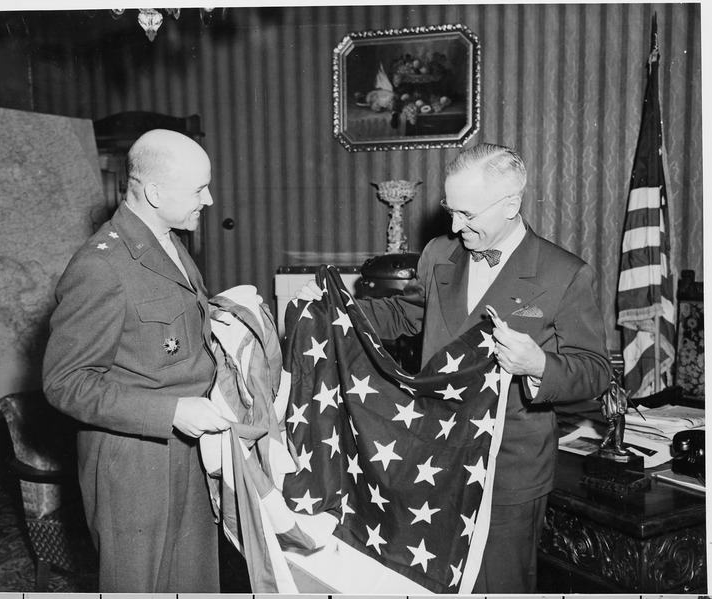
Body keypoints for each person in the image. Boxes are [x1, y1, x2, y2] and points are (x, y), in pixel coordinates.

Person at [296, 143, 612, 593]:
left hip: (507, 471)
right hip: (432, 456)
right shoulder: (439, 253)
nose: (453, 225)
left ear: (511, 205)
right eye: (450, 209)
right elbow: (406, 315)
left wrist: (539, 364)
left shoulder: (564, 274)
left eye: (467, 214)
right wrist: (332, 308)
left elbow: (595, 371)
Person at [43, 129, 231, 593]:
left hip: (189, 449)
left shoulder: (168, 239)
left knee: (196, 580)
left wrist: (224, 312)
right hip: (134, 465)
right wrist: (170, 412)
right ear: (154, 192)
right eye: (198, 189)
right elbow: (66, 382)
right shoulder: (100, 265)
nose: (208, 200)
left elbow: (164, 332)